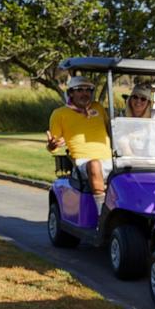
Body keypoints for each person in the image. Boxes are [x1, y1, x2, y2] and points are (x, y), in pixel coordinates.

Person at [46, 75, 112, 216]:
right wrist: (52, 145)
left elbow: (110, 131)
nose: (84, 93)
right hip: (83, 163)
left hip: (109, 159)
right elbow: (54, 145)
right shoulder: (60, 114)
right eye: (79, 90)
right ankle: (102, 215)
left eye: (88, 90)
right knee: (94, 164)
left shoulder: (98, 108)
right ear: (71, 93)